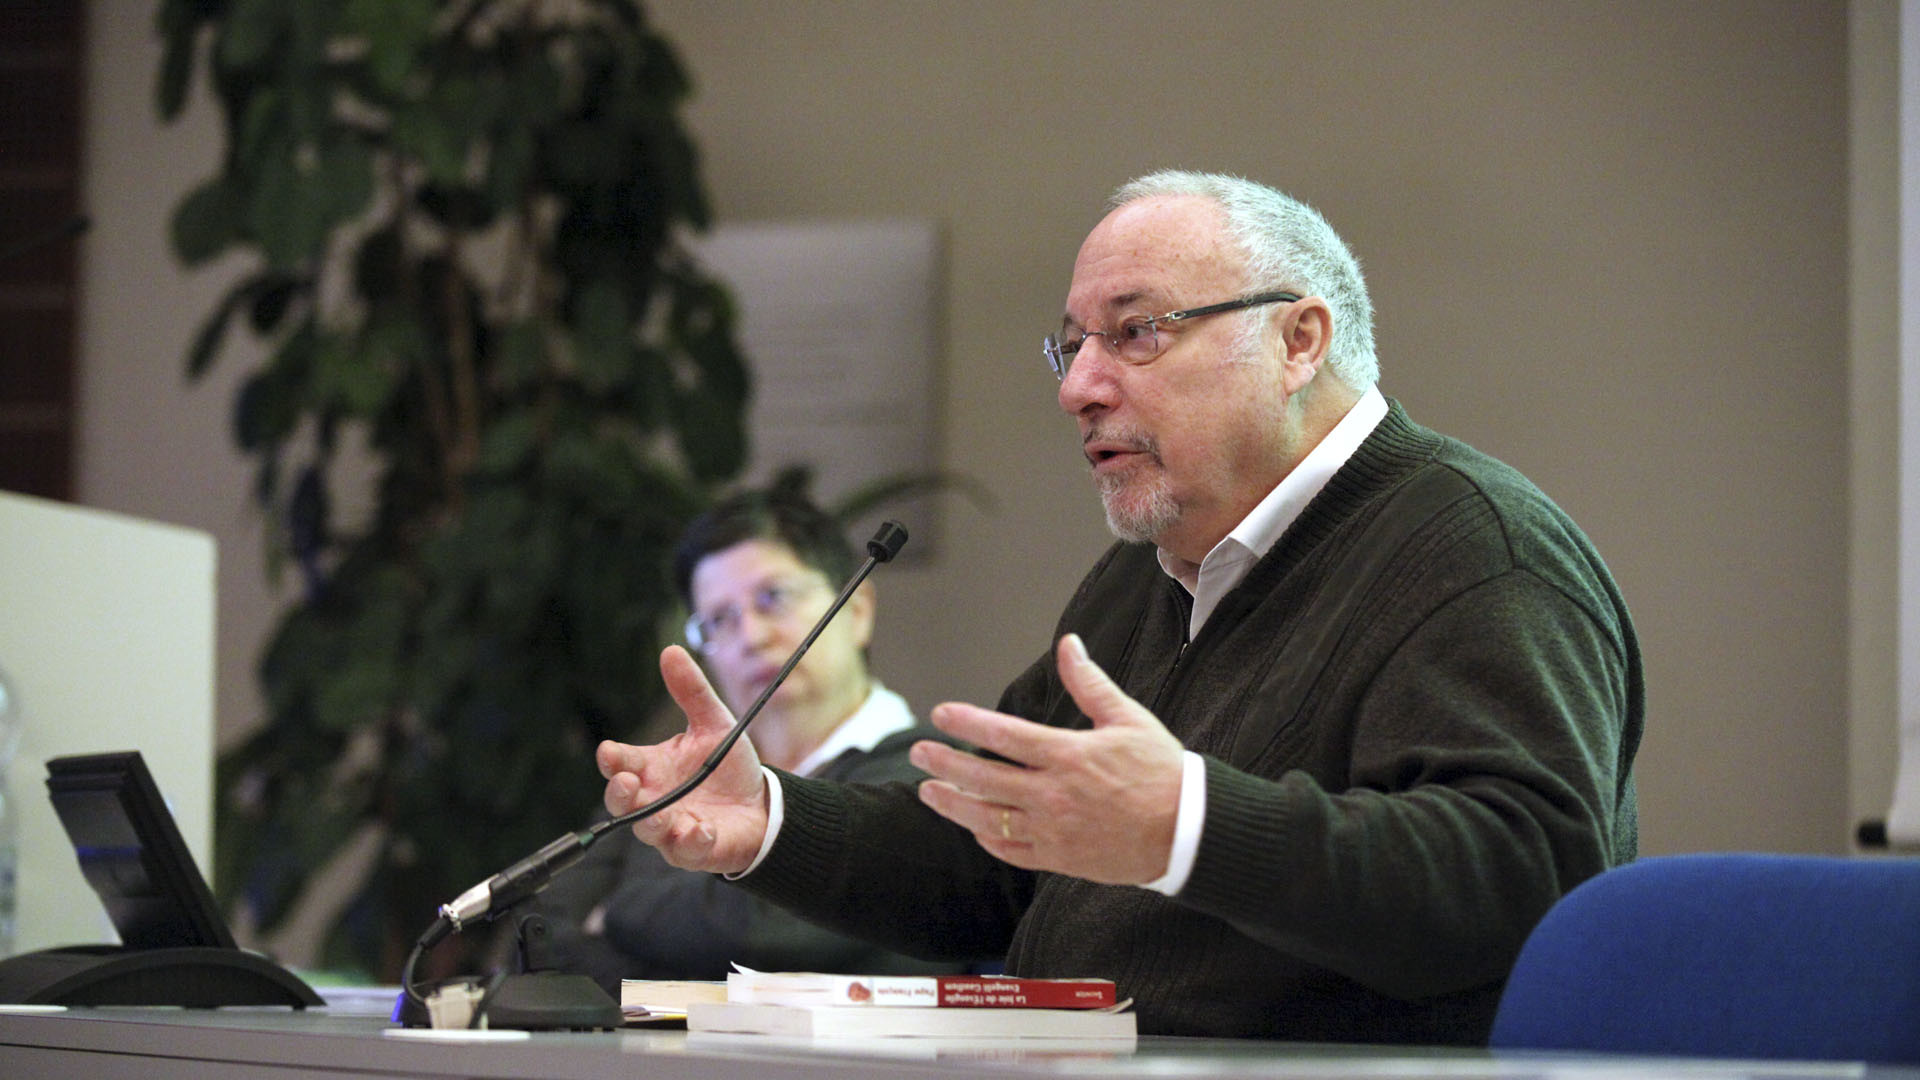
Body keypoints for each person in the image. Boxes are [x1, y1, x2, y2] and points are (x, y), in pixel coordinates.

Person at [596, 171, 1643, 1044]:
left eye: (1136, 333)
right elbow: (985, 850)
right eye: (1073, 346)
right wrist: (771, 819)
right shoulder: (1145, 581)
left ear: (1300, 340)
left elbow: (1526, 878)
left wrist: (1184, 823)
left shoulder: (1474, 548)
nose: (1079, 388)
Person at [532, 483, 972, 989]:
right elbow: (546, 936)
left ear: (858, 610)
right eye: (720, 619)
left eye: (773, 598)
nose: (751, 636)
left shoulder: (928, 765)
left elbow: (764, 934)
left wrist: (614, 914)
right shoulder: (684, 776)